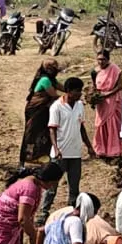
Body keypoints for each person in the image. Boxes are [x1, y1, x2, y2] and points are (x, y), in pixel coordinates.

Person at [40, 77, 91, 223]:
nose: (79, 94)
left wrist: (89, 146)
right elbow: (52, 130)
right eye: (77, 91)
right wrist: (56, 149)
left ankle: (71, 213)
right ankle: (44, 212)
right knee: (52, 186)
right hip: (60, 154)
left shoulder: (80, 105)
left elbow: (81, 127)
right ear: (68, 91)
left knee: (74, 186)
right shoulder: (56, 107)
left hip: (75, 153)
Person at [20, 59, 61, 167]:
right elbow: (54, 95)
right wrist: (70, 97)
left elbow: (63, 87)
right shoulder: (45, 80)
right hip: (36, 110)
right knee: (32, 133)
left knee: (42, 132)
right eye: (53, 67)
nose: (56, 69)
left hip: (43, 110)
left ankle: (40, 155)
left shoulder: (52, 80)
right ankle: (30, 156)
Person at [90, 49, 122, 159]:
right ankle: (102, 148)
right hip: (101, 102)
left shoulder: (115, 69)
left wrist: (107, 94)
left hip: (112, 100)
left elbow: (120, 86)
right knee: (101, 124)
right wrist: (94, 96)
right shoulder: (95, 71)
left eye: (103, 59)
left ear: (108, 59)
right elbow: (94, 86)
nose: (101, 62)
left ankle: (115, 148)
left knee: (114, 123)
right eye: (99, 59)